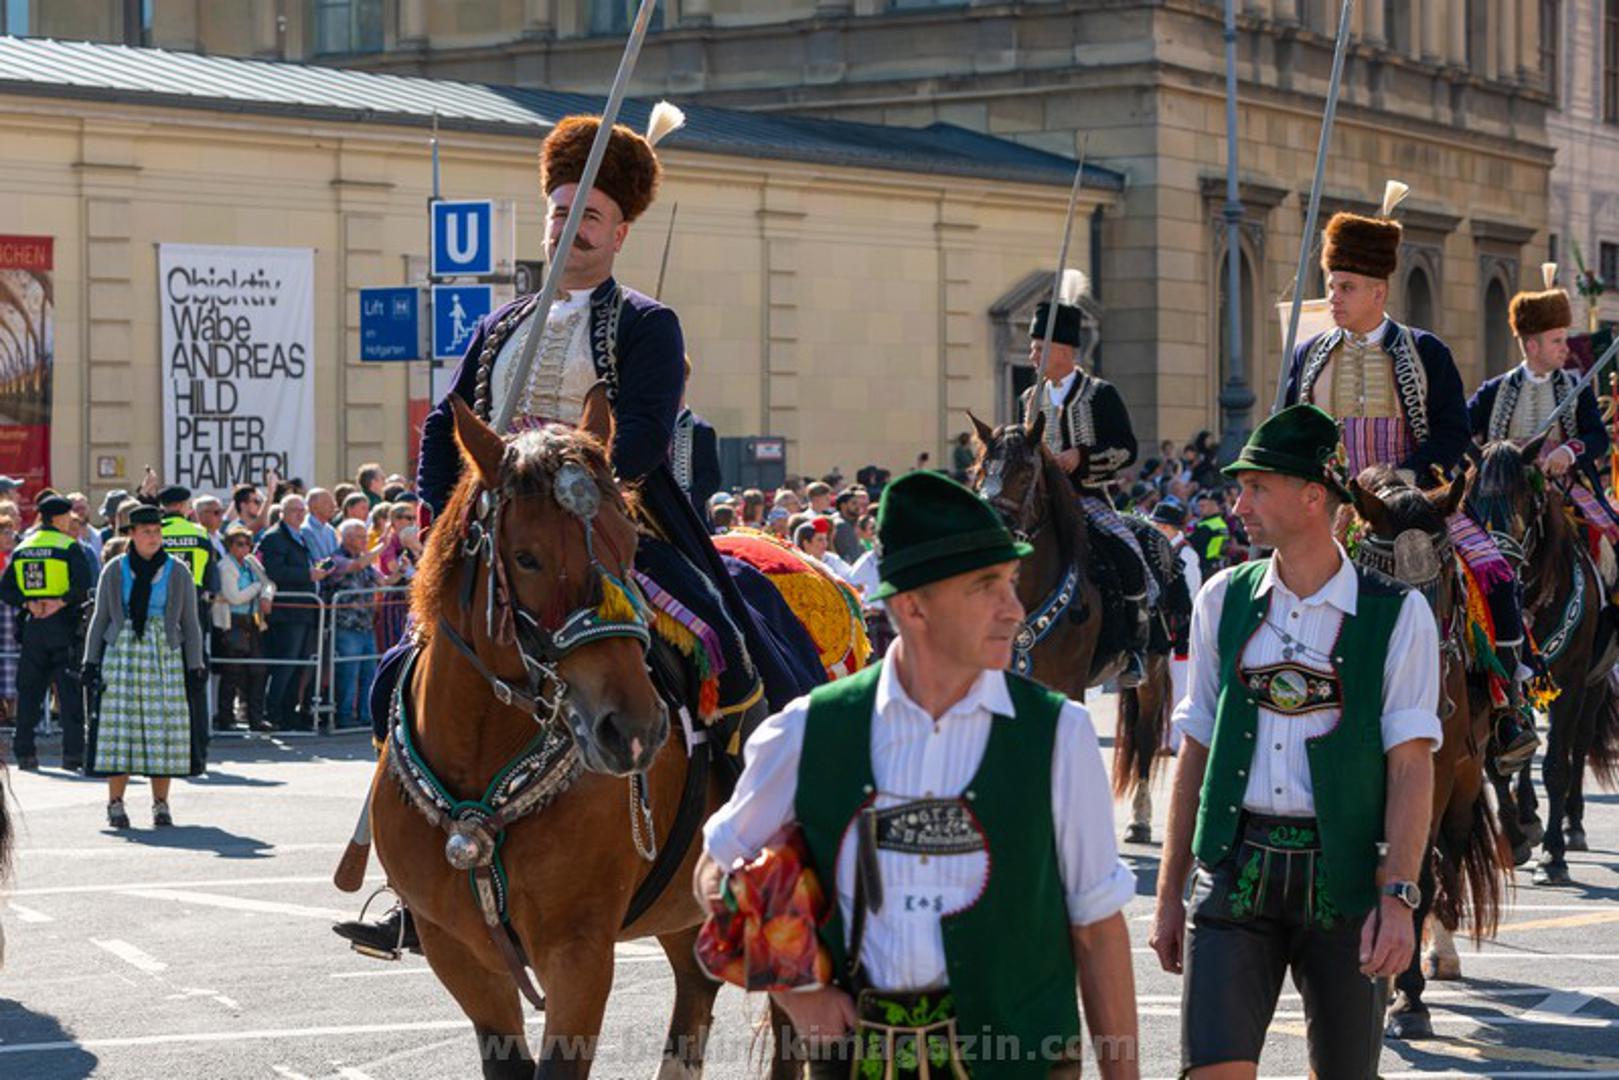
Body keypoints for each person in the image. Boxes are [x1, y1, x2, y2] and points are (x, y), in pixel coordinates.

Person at [696, 471, 1140, 1079]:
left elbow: (1098, 929)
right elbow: (716, 867)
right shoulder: (809, 730)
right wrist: (797, 991)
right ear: (912, 606)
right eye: (986, 587)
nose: (1014, 610)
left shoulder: (1059, 734)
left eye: (1011, 583)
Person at [1148, 405, 1439, 1080]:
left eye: (1256, 487)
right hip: (1233, 871)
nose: (1238, 505)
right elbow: (1196, 748)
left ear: (1313, 496)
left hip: (1343, 881)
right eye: (1239, 488)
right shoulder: (1222, 597)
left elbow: (1409, 768)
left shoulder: (1399, 614)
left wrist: (1399, 899)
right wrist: (1167, 895)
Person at [1280, 182, 1536, 769]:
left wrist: (1412, 471)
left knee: (1494, 572)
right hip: (1332, 506)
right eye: (1330, 286)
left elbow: (1453, 432)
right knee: (1257, 583)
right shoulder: (1307, 355)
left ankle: (1509, 707)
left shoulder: (1426, 353)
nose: (1334, 297)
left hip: (1414, 503)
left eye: (1345, 287)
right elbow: (1291, 429)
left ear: (1378, 290)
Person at [1020, 267, 1154, 686]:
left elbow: (1126, 448)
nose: (1031, 356)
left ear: (1063, 350)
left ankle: (1135, 647)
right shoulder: (1029, 398)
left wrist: (1082, 457)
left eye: (1038, 348)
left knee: (1128, 555)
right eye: (1031, 348)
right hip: (1041, 504)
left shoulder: (1101, 394)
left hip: (1088, 500)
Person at [1467, 265, 1619, 589]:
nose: (1566, 348)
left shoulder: (1575, 388)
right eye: (1557, 341)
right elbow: (1460, 430)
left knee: (1610, 539)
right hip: (1504, 489)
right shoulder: (1494, 390)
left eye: (1564, 339)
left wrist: (1569, 451)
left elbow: (1597, 438)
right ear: (1533, 346)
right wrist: (1486, 464)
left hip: (1562, 485)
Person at [82, 505, 206, 828]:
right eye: (147, 532)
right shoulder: (115, 569)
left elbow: (190, 623)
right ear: (132, 535)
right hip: (122, 654)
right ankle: (115, 803)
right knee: (119, 729)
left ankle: (161, 804)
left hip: (164, 655)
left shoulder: (178, 571)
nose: (153, 537)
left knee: (162, 729)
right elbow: (101, 618)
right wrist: (90, 661)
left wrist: (196, 665)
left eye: (157, 532)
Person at [0, 494, 96, 771]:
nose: (69, 521)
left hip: (33, 626)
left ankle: (25, 753)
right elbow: (84, 584)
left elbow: (6, 589)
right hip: (64, 625)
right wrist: (60, 602)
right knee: (69, 693)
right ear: (58, 518)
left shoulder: (23, 547)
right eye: (67, 516)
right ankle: (73, 755)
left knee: (29, 692)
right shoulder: (68, 546)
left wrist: (28, 603)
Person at [257, 495, 330, 731]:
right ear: (282, 513)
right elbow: (275, 571)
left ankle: (290, 714)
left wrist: (315, 571)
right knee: (286, 664)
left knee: (299, 665)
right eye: (294, 510)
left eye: (302, 510)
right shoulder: (275, 537)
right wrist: (308, 575)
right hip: (288, 611)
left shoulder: (299, 536)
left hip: (303, 609)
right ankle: (274, 713)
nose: (299, 514)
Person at [327, 519, 398, 730]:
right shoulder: (335, 559)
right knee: (348, 674)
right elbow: (354, 566)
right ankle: (344, 716)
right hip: (346, 626)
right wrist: (382, 547)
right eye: (361, 537)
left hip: (366, 626)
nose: (365, 540)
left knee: (369, 673)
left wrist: (402, 571)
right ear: (347, 538)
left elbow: (385, 581)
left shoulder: (366, 561)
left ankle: (367, 715)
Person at [212, 527, 272, 733]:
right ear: (229, 546)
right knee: (232, 672)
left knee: (258, 670)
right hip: (232, 622)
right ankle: (225, 718)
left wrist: (266, 596)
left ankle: (256, 718)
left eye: (248, 544)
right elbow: (234, 597)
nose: (245, 548)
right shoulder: (225, 566)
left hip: (253, 621)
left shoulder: (251, 562)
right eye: (239, 544)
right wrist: (257, 588)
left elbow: (269, 584)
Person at [830, 489, 863, 564]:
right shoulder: (842, 525)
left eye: (858, 503)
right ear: (843, 506)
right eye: (854, 503)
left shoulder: (850, 522)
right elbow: (851, 556)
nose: (858, 507)